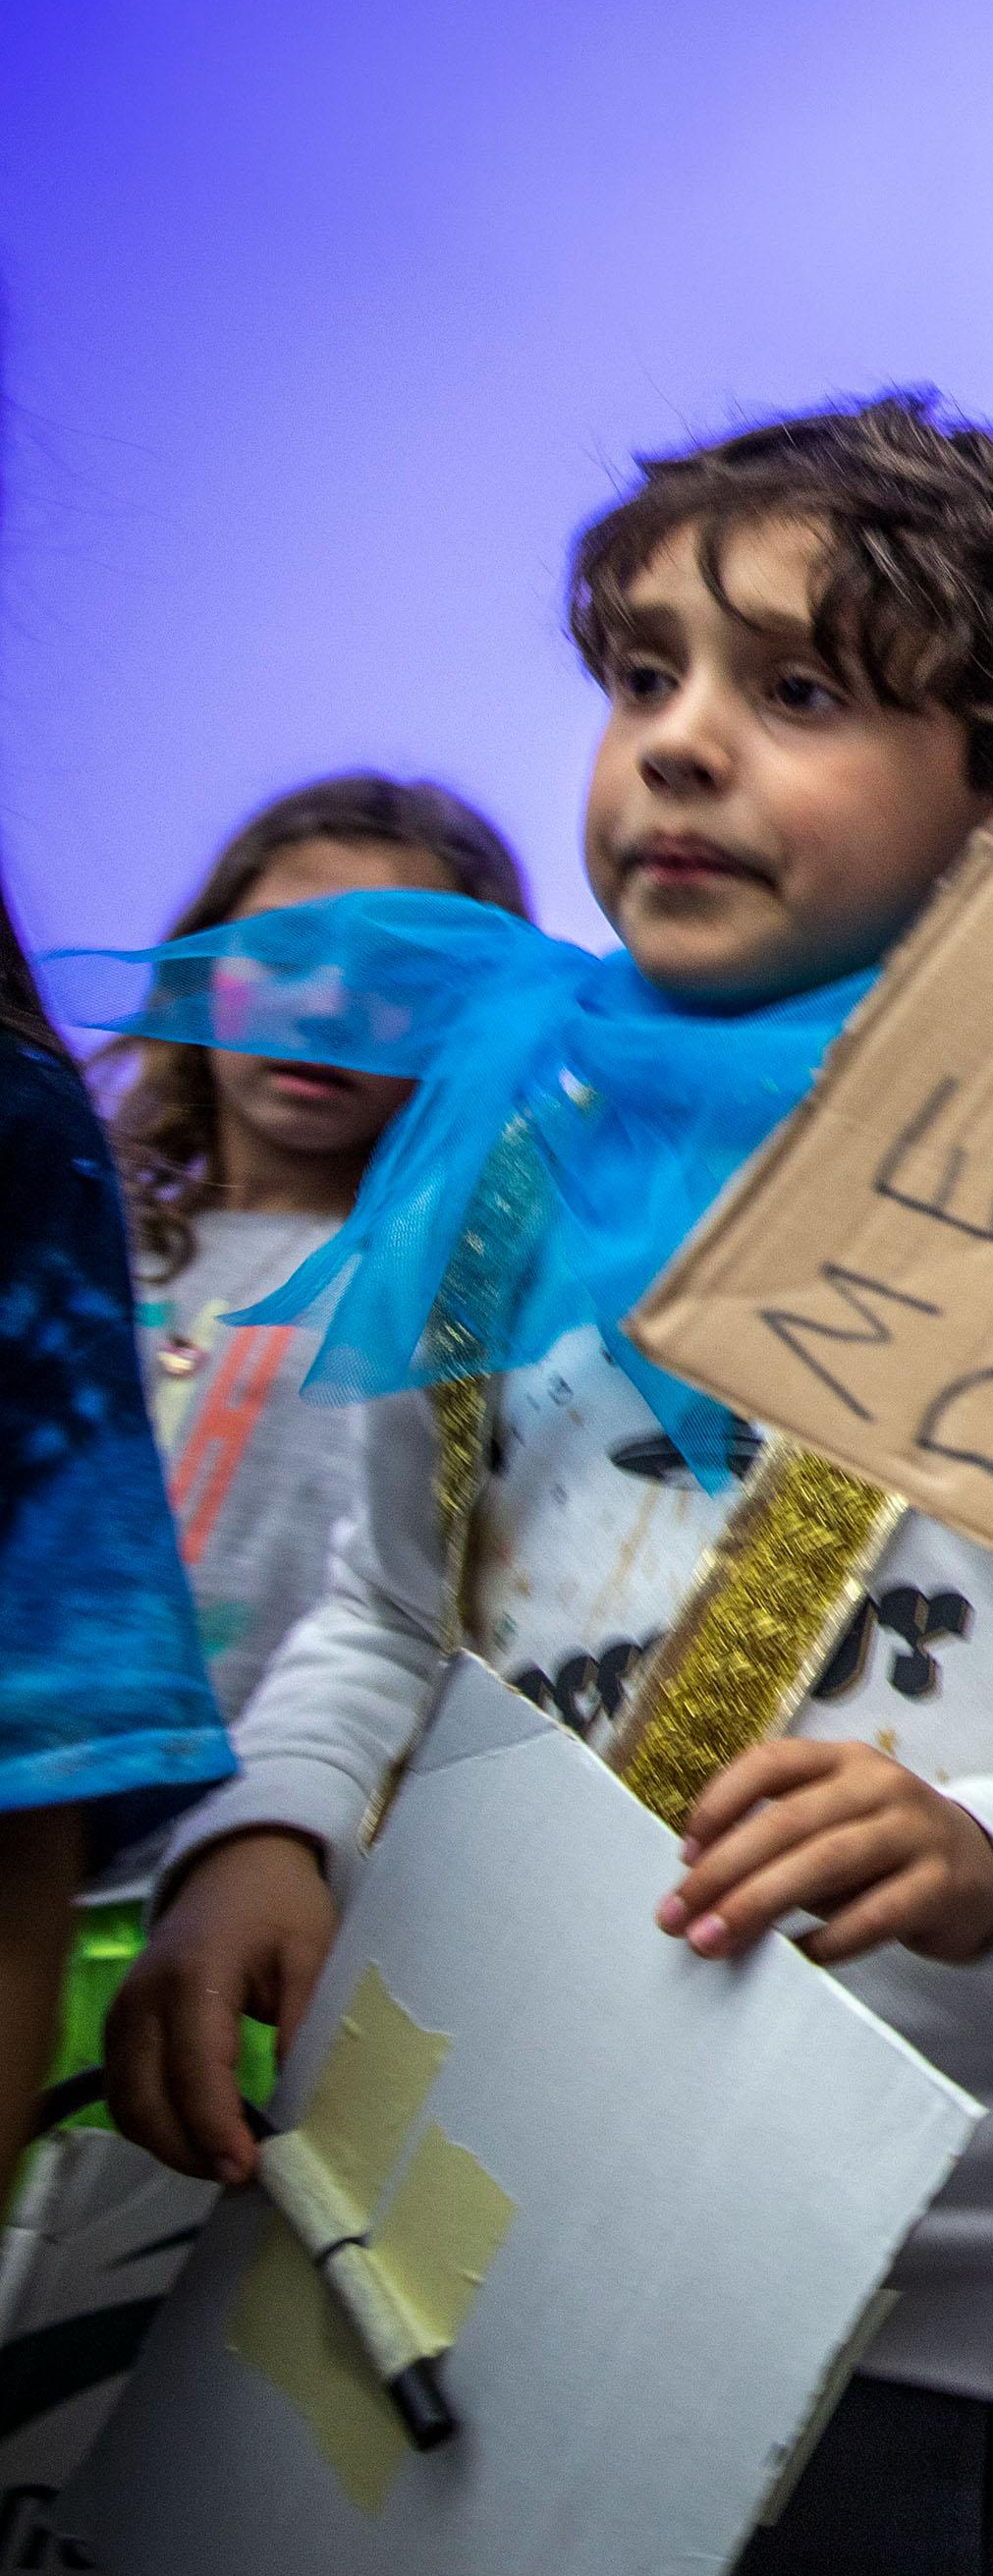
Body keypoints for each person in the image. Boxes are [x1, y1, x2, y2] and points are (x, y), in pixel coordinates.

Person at [87, 398, 993, 2576]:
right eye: (642, 673)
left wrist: (989, 1842)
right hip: (417, 2212)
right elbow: (392, 1609)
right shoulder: (503, 1165)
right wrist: (264, 1825)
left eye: (801, 691)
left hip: (867, 2317)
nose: (675, 745)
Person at [85, 783, 523, 1881]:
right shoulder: (75, 1246)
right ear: (201, 964)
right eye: (283, 952)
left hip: (241, 1882)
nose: (327, 1005)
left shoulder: (450, 1289)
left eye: (399, 985)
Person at [0, 874, 236, 2120]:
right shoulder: (133, 1222)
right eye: (270, 963)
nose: (316, 1019)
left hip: (177, 1863)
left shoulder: (28, 1150)